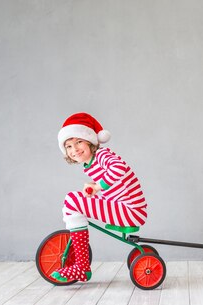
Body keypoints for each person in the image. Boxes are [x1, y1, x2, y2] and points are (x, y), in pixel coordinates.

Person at [50, 112, 148, 283]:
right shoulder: (91, 164)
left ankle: (82, 267)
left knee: (73, 200)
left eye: (79, 142)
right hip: (123, 206)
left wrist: (98, 186)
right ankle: (81, 263)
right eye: (69, 146)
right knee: (75, 200)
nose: (75, 149)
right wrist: (93, 187)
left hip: (131, 210)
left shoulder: (102, 155)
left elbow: (119, 168)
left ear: (90, 142)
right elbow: (113, 185)